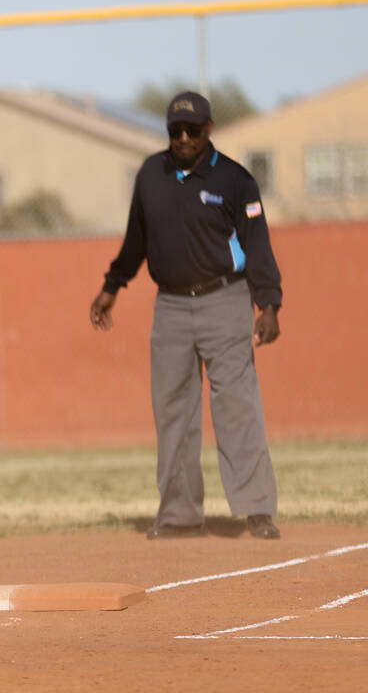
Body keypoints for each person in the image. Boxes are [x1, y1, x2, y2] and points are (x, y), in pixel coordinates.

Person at [89, 91, 283, 541]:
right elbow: (136, 239)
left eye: (192, 130)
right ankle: (179, 514)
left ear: (208, 129)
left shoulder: (235, 180)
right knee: (173, 410)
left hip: (225, 300)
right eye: (175, 130)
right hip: (171, 307)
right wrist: (112, 286)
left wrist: (268, 304)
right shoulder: (151, 174)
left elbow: (257, 245)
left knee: (237, 406)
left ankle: (256, 508)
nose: (182, 138)